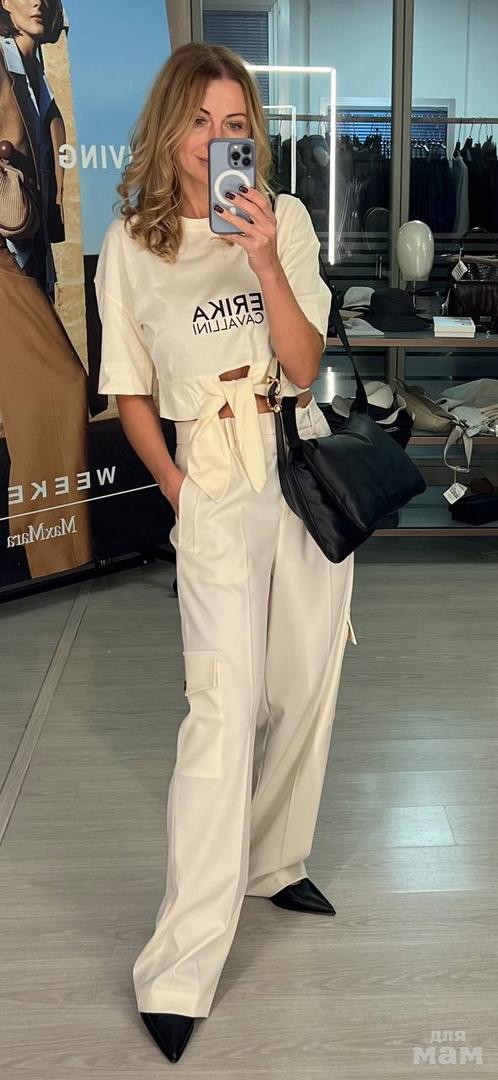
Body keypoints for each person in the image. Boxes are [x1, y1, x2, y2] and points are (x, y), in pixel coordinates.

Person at [94, 42, 356, 1065]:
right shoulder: (132, 244)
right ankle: (178, 965)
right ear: (168, 131)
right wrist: (177, 488)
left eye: (235, 123)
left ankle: (274, 861)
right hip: (211, 471)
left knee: (305, 679)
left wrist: (262, 262)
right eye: (199, 122)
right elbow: (129, 386)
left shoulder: (281, 220)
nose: (217, 141)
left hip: (299, 457)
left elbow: (304, 363)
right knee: (220, 706)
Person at [0, 0, 92, 578]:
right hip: (4, 258)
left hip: (29, 254)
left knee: (32, 403)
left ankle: (34, 547)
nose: (36, 0)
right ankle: (58, 558)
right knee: (60, 387)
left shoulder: (34, 74)